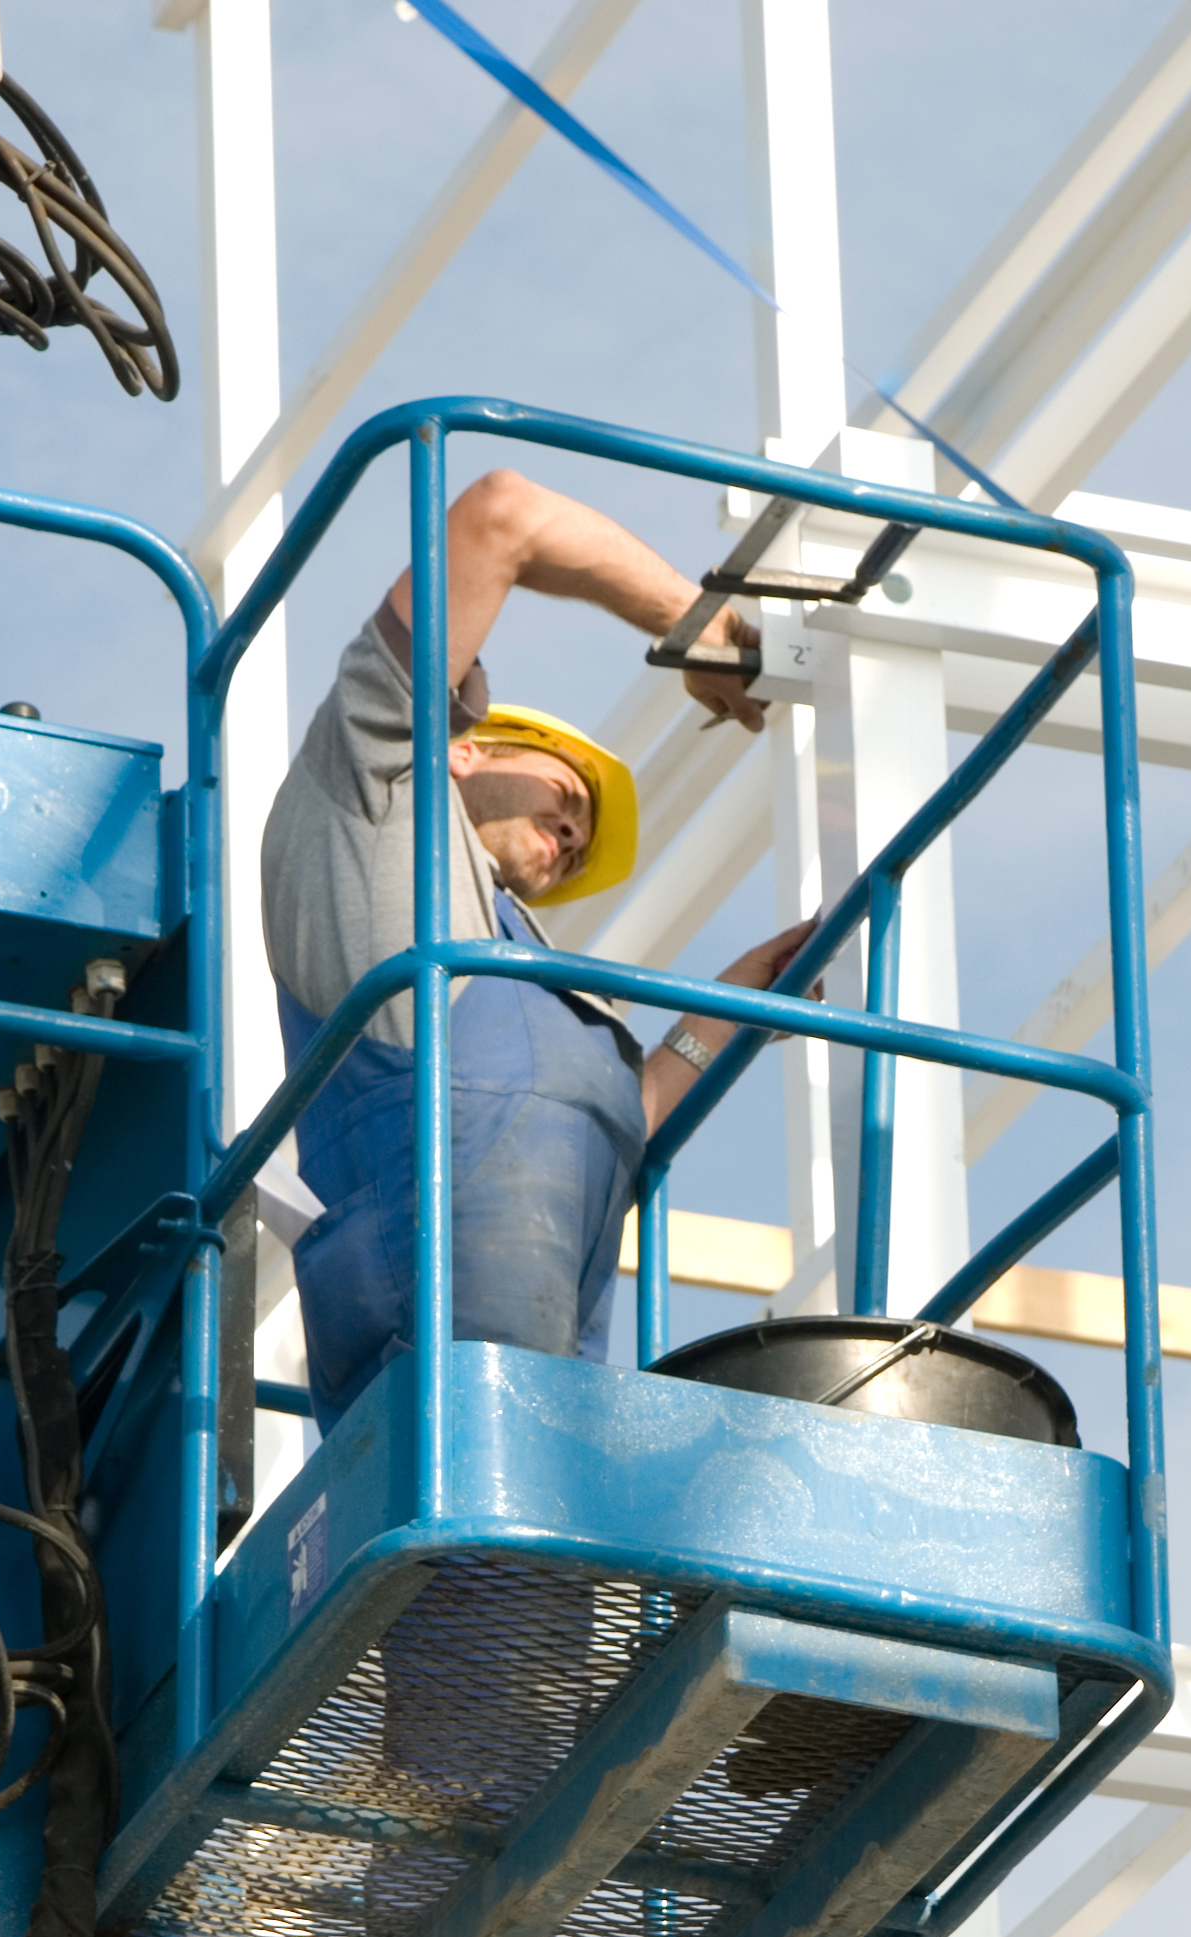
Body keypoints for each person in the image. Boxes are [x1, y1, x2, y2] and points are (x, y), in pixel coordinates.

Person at [264, 469, 814, 1423]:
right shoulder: (371, 798)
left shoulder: (512, 964)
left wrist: (731, 1005)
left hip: (544, 1406)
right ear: (465, 746)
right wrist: (700, 626)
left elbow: (616, 1121)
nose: (572, 835)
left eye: (580, 844)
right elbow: (501, 515)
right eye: (567, 792)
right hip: (429, 1369)